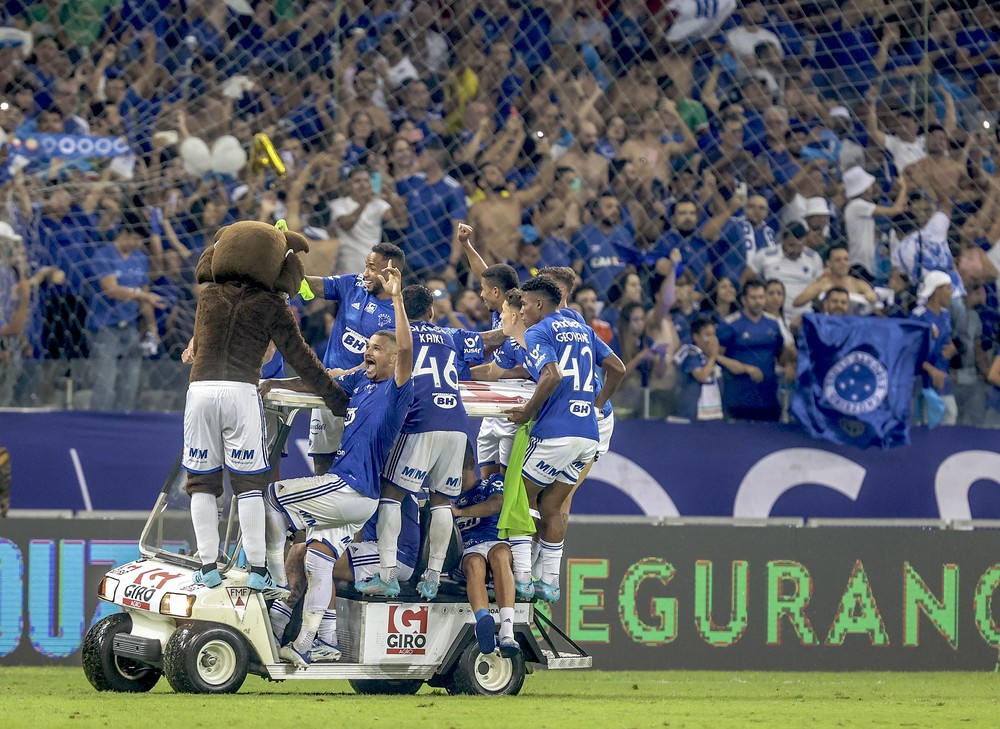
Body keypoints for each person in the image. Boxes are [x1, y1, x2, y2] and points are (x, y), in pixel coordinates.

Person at [261, 263, 413, 668]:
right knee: (317, 557)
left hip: (351, 487)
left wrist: (396, 298)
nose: (368, 352)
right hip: (354, 497)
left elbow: (406, 350)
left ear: (395, 358)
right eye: (368, 347)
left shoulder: (397, 390)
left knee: (274, 497)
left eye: (377, 349)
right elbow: (319, 381)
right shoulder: (360, 383)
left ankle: (272, 580)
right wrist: (272, 385)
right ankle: (317, 640)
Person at [361, 284, 481, 600]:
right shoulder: (451, 336)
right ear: (430, 312)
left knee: (391, 494)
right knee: (442, 501)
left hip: (420, 420)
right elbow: (486, 341)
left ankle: (386, 575)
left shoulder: (397, 338)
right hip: (457, 423)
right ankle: (433, 578)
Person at [509, 276, 621, 602]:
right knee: (552, 505)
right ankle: (550, 583)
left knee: (519, 499)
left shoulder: (538, 331)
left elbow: (552, 374)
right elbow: (617, 367)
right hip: (589, 435)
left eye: (526, 305)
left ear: (540, 305)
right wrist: (595, 406)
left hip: (555, 432)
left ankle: (523, 579)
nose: (522, 312)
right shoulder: (584, 328)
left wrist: (528, 412)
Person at [269, 493, 421, 656]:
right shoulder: (378, 482)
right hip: (375, 549)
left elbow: (342, 507)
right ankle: (276, 628)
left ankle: (326, 640)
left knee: (317, 558)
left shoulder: (386, 484)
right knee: (299, 551)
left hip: (396, 557)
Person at [301, 242, 405, 475]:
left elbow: (380, 362)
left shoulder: (398, 314)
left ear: (389, 273)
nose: (365, 273)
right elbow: (310, 284)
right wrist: (289, 264)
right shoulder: (354, 284)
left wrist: (346, 374)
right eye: (365, 266)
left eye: (371, 268)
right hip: (330, 389)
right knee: (321, 463)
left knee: (366, 468)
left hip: (366, 396)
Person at [85, 214, 167, 410]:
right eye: (136, 238)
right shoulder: (103, 255)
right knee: (106, 379)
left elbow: (144, 295)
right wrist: (143, 296)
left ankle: (125, 416)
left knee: (132, 376)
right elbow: (111, 290)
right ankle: (99, 421)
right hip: (104, 326)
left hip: (129, 324)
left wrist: (152, 327)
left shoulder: (140, 258)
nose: (138, 243)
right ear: (123, 233)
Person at [452, 452, 520, 658]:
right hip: (469, 547)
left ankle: (508, 632)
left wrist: (460, 513)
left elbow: (496, 503)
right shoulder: (448, 498)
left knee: (500, 556)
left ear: (471, 464)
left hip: (496, 540)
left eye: (460, 471)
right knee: (474, 565)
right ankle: (483, 622)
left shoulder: (492, 482)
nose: (455, 478)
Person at [716, 279, 795, 422]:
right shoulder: (730, 324)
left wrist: (790, 363)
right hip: (738, 397)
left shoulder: (774, 323)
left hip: (768, 396)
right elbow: (717, 356)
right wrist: (745, 368)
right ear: (744, 300)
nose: (758, 302)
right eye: (753, 298)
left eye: (761, 297)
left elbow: (780, 356)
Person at [329, 166, 406, 275]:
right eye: (357, 181)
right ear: (348, 186)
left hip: (372, 267)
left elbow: (400, 220)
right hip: (347, 267)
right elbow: (346, 225)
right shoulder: (338, 204)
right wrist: (364, 202)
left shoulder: (377, 204)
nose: (363, 184)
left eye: (366, 180)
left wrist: (390, 195)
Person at [912, 271, 958, 426]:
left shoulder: (946, 315)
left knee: (950, 415)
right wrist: (931, 371)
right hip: (922, 381)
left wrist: (953, 348)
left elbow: (947, 340)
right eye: (948, 288)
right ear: (937, 290)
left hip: (943, 378)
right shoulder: (918, 316)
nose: (951, 293)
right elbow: (910, 352)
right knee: (927, 422)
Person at [793, 246, 877, 316]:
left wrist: (870, 296)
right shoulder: (821, 284)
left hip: (853, 329)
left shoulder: (859, 284)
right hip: (828, 326)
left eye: (846, 259)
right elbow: (797, 302)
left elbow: (873, 299)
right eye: (838, 260)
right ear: (829, 263)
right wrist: (817, 290)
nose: (843, 263)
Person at [673, 316, 724, 422]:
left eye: (714, 335)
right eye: (708, 335)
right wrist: (713, 357)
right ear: (696, 336)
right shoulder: (690, 353)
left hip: (712, 416)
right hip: (690, 415)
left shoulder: (708, 355)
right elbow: (702, 376)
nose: (712, 340)